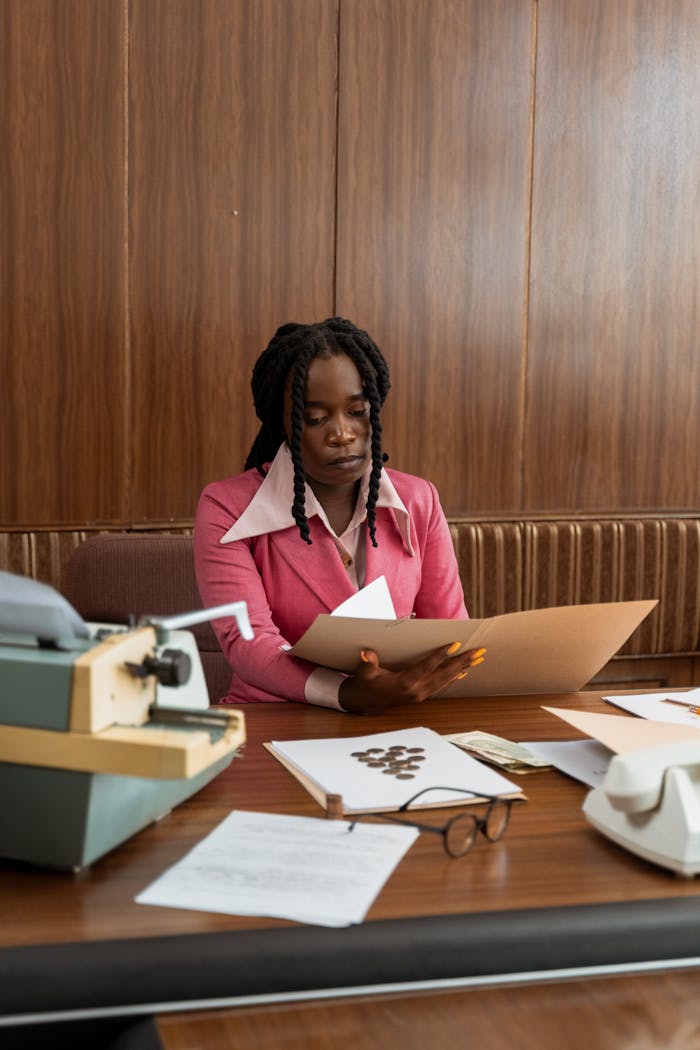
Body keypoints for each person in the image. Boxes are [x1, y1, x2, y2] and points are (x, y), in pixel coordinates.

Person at [194, 317, 484, 714]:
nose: (342, 433)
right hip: (275, 718)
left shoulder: (419, 500)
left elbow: (450, 635)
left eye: (358, 411)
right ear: (284, 423)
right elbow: (248, 644)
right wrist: (346, 694)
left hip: (397, 718)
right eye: (315, 419)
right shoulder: (226, 507)